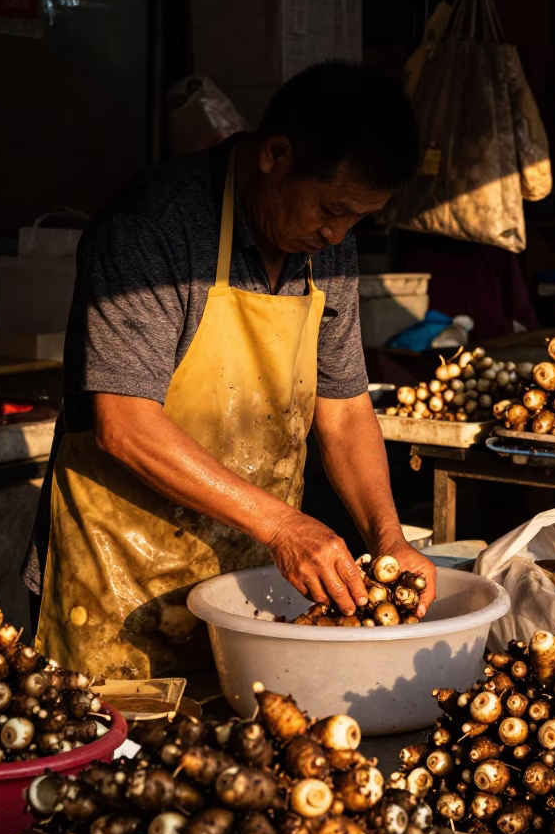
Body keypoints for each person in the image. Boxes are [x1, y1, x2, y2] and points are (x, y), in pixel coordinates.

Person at [22, 60, 436, 679]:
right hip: (119, 585)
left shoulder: (328, 248)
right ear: (275, 155)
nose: (338, 232)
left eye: (358, 217)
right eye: (331, 207)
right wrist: (283, 524)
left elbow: (345, 409)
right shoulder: (152, 231)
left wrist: (388, 537)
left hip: (250, 588)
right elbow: (124, 424)